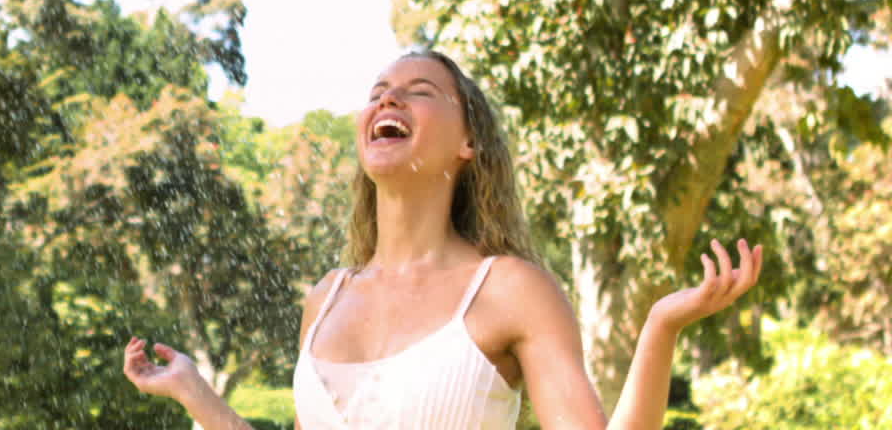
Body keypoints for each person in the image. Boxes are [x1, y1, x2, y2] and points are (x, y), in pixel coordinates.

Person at [123, 50, 763, 429]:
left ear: (467, 144)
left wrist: (660, 327)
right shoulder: (325, 299)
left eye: (418, 92)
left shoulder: (510, 289)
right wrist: (196, 394)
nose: (386, 100)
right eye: (377, 94)